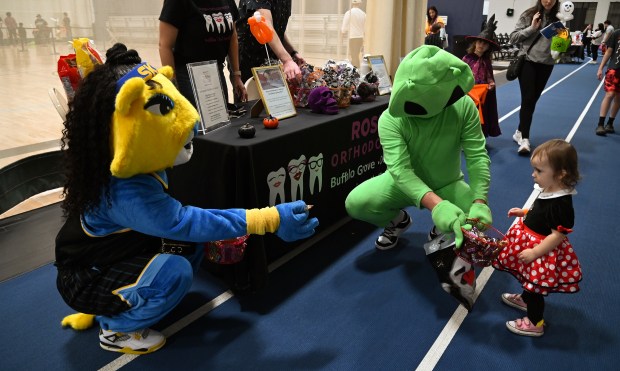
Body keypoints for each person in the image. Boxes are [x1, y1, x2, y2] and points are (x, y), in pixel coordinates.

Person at [55, 43, 318, 354]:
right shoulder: (123, 191)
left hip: (111, 256)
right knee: (176, 269)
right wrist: (268, 219)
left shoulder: (127, 168)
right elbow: (184, 221)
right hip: (87, 276)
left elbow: (183, 224)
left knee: (188, 245)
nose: (190, 121)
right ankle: (116, 329)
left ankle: (123, 300)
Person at [345, 45, 492, 311]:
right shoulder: (390, 118)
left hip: (448, 183)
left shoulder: (464, 106)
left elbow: (477, 156)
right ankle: (398, 221)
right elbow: (400, 171)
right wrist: (437, 205)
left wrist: (480, 200)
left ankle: (443, 232)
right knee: (356, 203)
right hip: (401, 184)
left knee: (475, 223)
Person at [493, 139, 582, 337]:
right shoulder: (550, 189)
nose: (533, 174)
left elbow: (558, 235)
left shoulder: (561, 203)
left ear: (561, 174)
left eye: (539, 171)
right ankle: (525, 299)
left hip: (542, 250)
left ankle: (535, 322)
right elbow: (541, 212)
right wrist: (524, 212)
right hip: (533, 242)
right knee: (529, 282)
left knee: (536, 290)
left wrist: (535, 252)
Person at [159, 0, 248, 106]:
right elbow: (164, 45)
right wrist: (172, 86)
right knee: (197, 120)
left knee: (220, 118)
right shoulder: (177, 2)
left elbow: (233, 36)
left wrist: (236, 75)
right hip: (187, 75)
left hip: (216, 72)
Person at [509, 0, 560, 156]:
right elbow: (513, 38)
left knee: (532, 100)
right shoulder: (529, 15)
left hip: (547, 64)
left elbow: (561, 44)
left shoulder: (560, 19)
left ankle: (519, 131)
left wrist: (563, 44)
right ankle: (525, 139)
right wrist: (532, 28)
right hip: (528, 62)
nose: (548, 1)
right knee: (528, 98)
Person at [236, 0, 306, 83]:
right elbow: (265, 23)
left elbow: (277, 30)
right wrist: (287, 60)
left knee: (275, 93)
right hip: (247, 58)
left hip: (269, 59)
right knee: (251, 94)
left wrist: (292, 52)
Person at [463, 14, 501, 137]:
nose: (481, 45)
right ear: (475, 43)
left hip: (482, 96)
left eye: (485, 44)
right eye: (479, 42)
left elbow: (489, 78)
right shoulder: (466, 59)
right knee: (467, 116)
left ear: (488, 47)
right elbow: (460, 75)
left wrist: (491, 84)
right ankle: (465, 138)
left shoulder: (486, 62)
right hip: (468, 94)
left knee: (480, 117)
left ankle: (479, 138)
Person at [595, 28, 620, 136]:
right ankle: (600, 124)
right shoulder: (617, 33)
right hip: (614, 69)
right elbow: (609, 51)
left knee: (618, 97)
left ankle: (610, 123)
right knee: (609, 94)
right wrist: (600, 68)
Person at [341, 0, 366, 68]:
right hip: (360, 38)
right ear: (359, 3)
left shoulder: (349, 12)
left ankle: (356, 70)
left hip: (352, 37)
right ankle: (355, 69)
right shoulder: (363, 14)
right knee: (356, 55)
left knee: (354, 56)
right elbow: (365, 27)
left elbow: (344, 26)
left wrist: (342, 36)